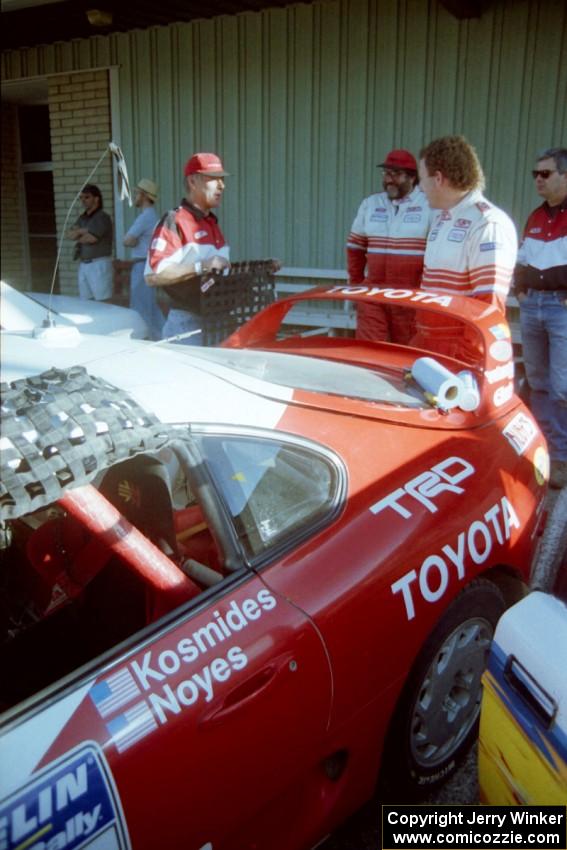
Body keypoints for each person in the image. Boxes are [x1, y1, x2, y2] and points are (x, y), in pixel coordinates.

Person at [415, 135, 517, 361]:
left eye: (421, 179)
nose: (419, 188)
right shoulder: (441, 218)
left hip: (459, 354)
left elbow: (488, 307)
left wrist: (467, 360)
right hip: (427, 344)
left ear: (439, 179)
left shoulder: (488, 224)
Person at [514, 147, 567, 489]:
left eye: (545, 174)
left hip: (561, 310)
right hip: (532, 306)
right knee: (538, 381)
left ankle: (560, 457)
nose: (538, 179)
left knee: (562, 386)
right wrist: (520, 288)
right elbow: (522, 257)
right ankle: (545, 447)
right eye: (535, 174)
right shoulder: (535, 216)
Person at [346, 149, 432, 343]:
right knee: (370, 351)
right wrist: (356, 287)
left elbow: (437, 255)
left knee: (405, 355)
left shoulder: (428, 205)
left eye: (396, 174)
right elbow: (355, 248)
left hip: (410, 297)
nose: (389, 180)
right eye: (386, 173)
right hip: (372, 294)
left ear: (412, 177)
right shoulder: (370, 204)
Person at [145, 152, 230, 345]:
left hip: (216, 321)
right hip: (187, 325)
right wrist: (202, 266)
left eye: (222, 180)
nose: (222, 186)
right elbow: (153, 276)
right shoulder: (175, 221)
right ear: (193, 182)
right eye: (214, 179)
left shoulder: (211, 223)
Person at [123, 178, 163, 340]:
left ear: (144, 195)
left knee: (141, 308)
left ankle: (155, 341)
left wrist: (134, 240)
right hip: (149, 265)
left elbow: (127, 240)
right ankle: (165, 337)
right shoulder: (153, 216)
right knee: (151, 307)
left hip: (142, 265)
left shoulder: (145, 217)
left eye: (136, 193)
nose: (134, 196)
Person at [66, 184, 113, 301]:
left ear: (96, 199)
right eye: (81, 198)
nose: (83, 201)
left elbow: (91, 238)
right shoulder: (83, 218)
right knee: (86, 302)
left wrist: (80, 234)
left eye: (86, 197)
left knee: (102, 302)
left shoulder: (102, 217)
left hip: (98, 265)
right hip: (84, 265)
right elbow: (69, 234)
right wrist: (83, 230)